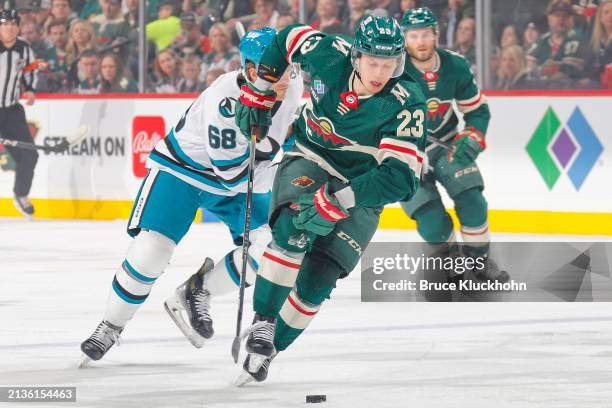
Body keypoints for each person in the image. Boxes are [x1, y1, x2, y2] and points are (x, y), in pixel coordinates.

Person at [79, 27, 303, 364]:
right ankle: (111, 325)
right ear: (254, 71)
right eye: (280, 68)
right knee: (151, 252)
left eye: (290, 66)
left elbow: (261, 157)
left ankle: (200, 290)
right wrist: (287, 154)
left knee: (270, 250)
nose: (289, 75)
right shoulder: (223, 102)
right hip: (184, 172)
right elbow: (230, 171)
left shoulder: (292, 83)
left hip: (244, 178)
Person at [233, 16, 427, 385]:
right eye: (373, 62)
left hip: (363, 185)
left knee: (319, 280)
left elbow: (401, 179)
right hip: (311, 156)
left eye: (389, 64)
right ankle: (263, 322)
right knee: (293, 227)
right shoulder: (328, 53)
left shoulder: (406, 102)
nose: (380, 72)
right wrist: (260, 88)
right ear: (355, 56)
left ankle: (272, 348)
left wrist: (340, 199)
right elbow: (286, 37)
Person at [398, 8, 507, 282]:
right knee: (431, 220)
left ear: (436, 35)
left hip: (446, 145)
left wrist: (472, 135)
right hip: (403, 153)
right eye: (413, 36)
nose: (420, 42)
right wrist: (401, 153)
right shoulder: (391, 69)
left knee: (473, 202)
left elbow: (477, 110)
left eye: (425, 35)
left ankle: (480, 264)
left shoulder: (455, 65)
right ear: (405, 38)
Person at [0, 9, 39, 217]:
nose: (10, 27)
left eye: (14, 23)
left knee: (30, 155)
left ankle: (21, 194)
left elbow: (32, 69)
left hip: (12, 111)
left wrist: (31, 88)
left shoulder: (24, 48)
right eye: (5, 23)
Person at [527, 1, 589, 85]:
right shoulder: (542, 40)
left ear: (571, 19)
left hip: (568, 91)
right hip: (542, 92)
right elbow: (528, 67)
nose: (561, 19)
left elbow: (566, 72)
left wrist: (542, 75)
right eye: (557, 15)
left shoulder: (578, 39)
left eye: (565, 16)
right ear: (549, 18)